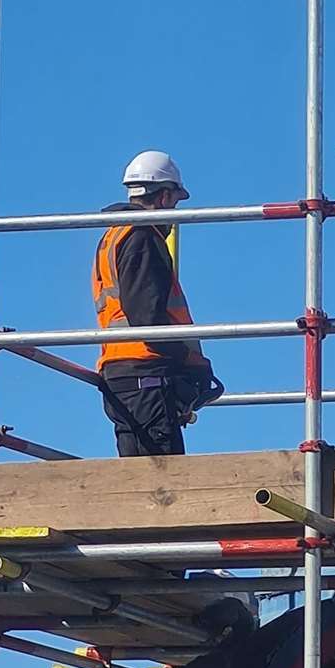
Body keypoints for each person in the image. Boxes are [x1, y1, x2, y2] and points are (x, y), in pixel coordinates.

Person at [93, 151, 222, 456]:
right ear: (164, 196)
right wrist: (189, 363)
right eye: (176, 200)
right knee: (163, 482)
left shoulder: (115, 234)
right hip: (145, 374)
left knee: (137, 479)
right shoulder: (142, 237)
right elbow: (147, 317)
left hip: (124, 373)